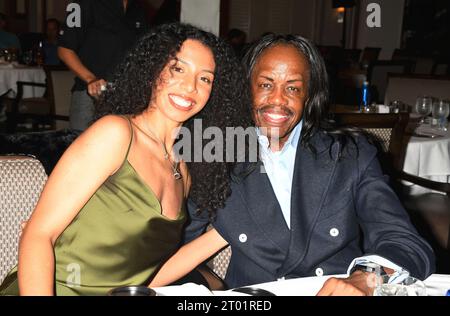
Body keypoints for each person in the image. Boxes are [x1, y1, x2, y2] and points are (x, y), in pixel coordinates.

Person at [149, 34, 435, 295]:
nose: (277, 100)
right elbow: (172, 249)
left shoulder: (349, 154)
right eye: (265, 85)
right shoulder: (216, 156)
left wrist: (366, 278)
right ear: (245, 90)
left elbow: (404, 242)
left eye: (293, 88)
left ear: (309, 95)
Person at [0, 22, 252, 296]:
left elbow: (148, 276)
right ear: (153, 69)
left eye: (205, 78)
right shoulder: (116, 134)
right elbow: (38, 234)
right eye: (177, 69)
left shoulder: (183, 168)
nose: (190, 86)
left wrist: (228, 232)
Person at [58, 0, 148, 131]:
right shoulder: (84, 3)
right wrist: (90, 79)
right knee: (85, 149)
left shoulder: (137, 8)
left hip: (127, 98)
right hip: (91, 96)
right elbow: (64, 50)